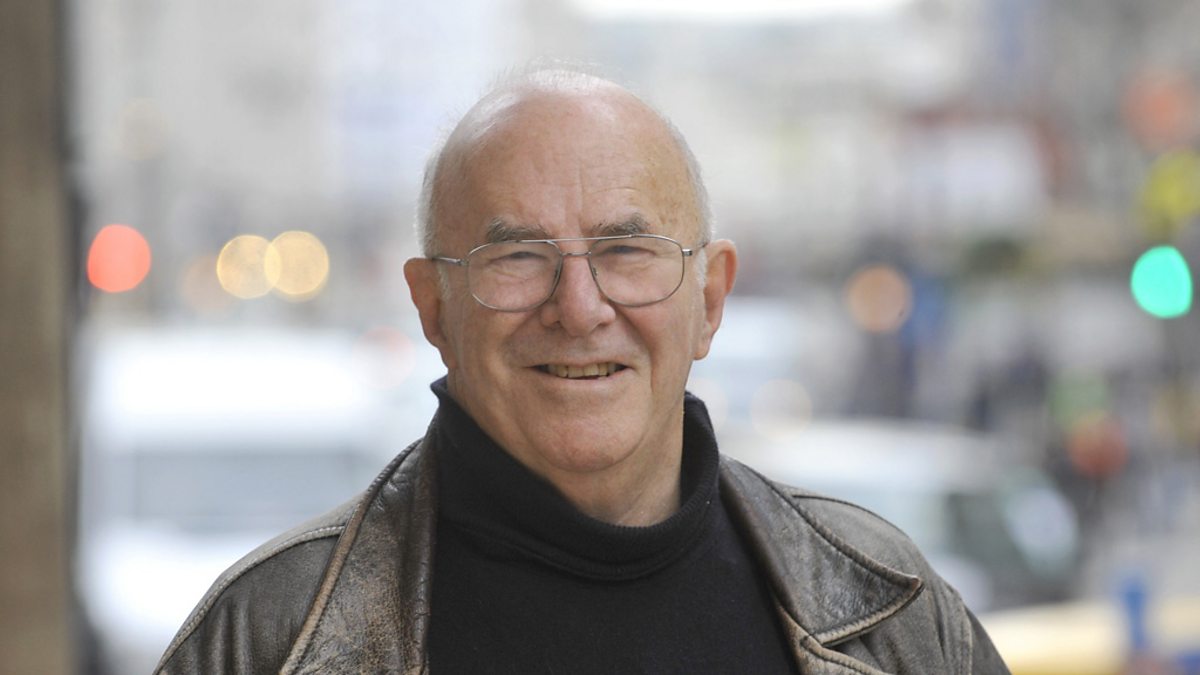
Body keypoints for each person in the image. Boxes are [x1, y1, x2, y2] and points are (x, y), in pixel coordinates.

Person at [155, 68, 1009, 674]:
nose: (577, 306)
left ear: (710, 298)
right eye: (516, 256)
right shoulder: (266, 640)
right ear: (432, 307)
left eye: (626, 250)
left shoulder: (894, 613)